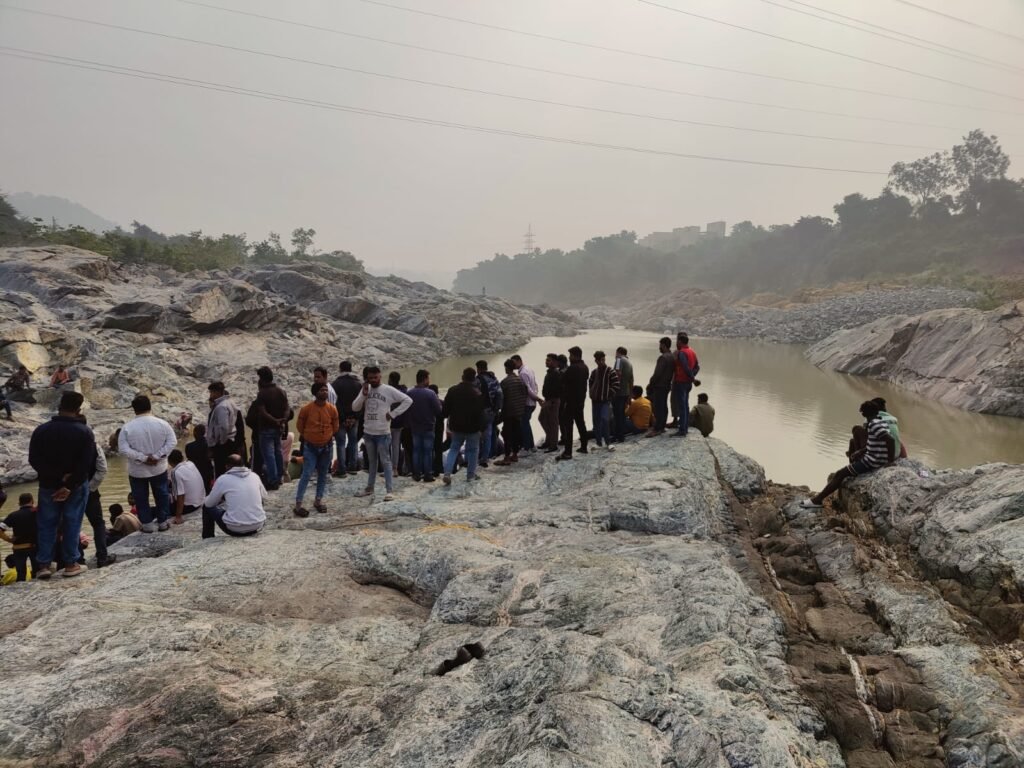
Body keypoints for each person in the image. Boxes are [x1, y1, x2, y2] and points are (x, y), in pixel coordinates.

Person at [28, 391, 96, 579]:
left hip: (48, 485)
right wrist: (68, 484)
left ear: (59, 406)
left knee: (46, 523)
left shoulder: (41, 431)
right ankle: (70, 563)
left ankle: (43, 565)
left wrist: (56, 477)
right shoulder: (84, 432)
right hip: (75, 487)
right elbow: (86, 464)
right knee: (72, 522)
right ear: (78, 409)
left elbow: (34, 460)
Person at [801, 401, 896, 509]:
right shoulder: (880, 421)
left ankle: (817, 500)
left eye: (862, 413)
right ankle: (817, 499)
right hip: (874, 457)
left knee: (840, 474)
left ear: (864, 413)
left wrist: (890, 462)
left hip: (872, 461)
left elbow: (890, 440)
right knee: (844, 470)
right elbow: (876, 442)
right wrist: (860, 452)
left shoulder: (873, 424)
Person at [352, 366, 411, 501]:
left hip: (383, 433)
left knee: (386, 461)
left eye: (375, 377)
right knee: (372, 462)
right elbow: (355, 407)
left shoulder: (388, 390)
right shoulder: (365, 390)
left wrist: (393, 414)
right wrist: (363, 394)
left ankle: (389, 491)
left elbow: (408, 400)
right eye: (370, 378)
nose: (373, 380)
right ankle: (369, 487)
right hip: (368, 432)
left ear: (380, 376)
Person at [119, 394, 177, 533]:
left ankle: (147, 525)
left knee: (140, 497)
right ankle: (163, 522)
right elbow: (172, 442)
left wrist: (143, 458)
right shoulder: (162, 424)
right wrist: (156, 456)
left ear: (134, 410)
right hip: (159, 467)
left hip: (137, 470)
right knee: (162, 494)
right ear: (150, 406)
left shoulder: (127, 427)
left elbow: (123, 449)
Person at [294, 383, 340, 517]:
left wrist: (325, 436)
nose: (325, 392)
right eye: (322, 390)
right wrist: (311, 436)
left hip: (327, 446)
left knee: (323, 474)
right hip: (311, 447)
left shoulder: (332, 409)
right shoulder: (306, 409)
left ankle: (318, 501)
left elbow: (335, 427)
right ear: (315, 393)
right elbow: (300, 427)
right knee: (307, 474)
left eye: (326, 390)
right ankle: (298, 504)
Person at [201, 454, 267, 538]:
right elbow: (264, 496)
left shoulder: (223, 479)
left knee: (206, 508)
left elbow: (209, 504)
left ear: (227, 466)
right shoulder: (254, 476)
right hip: (258, 525)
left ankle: (208, 538)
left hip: (235, 529)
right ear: (243, 465)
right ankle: (253, 518)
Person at [442, 367, 485, 484]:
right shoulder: (477, 393)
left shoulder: (452, 390)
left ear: (462, 377)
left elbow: (445, 411)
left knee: (454, 448)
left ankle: (447, 473)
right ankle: (470, 475)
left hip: (456, 426)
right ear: (474, 378)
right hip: (473, 428)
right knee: (473, 450)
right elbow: (481, 413)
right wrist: (482, 428)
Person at [83, 417, 115, 568]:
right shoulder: (93, 446)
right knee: (98, 524)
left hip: (66, 492)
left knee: (67, 525)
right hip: (90, 492)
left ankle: (72, 561)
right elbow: (102, 469)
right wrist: (89, 488)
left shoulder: (60, 446)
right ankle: (102, 557)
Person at [253, 366, 289, 491]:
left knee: (269, 455)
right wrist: (282, 421)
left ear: (262, 379)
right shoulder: (281, 391)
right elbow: (287, 408)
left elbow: (263, 412)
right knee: (278, 452)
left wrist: (275, 421)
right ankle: (279, 477)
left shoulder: (262, 394)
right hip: (279, 428)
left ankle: (272, 480)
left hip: (266, 428)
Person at [407, 369, 443, 482]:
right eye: (428, 378)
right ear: (425, 379)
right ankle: (428, 474)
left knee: (416, 450)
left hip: (415, 427)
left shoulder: (410, 393)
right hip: (428, 426)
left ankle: (416, 474)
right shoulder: (431, 393)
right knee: (428, 451)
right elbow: (438, 411)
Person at [557, 346, 589, 462]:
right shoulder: (585, 367)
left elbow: (562, 381)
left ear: (575, 356)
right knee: (581, 423)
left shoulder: (572, 368)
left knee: (568, 425)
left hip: (570, 401)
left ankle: (568, 452)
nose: (569, 358)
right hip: (581, 400)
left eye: (570, 355)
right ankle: (584, 446)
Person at [332, 361, 362, 475]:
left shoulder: (335, 384)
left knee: (340, 443)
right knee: (353, 442)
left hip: (340, 419)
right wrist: (354, 417)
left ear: (340, 369)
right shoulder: (358, 383)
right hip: (354, 419)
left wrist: (344, 419)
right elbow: (361, 403)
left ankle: (341, 469)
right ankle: (353, 466)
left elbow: (335, 403)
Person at [496, 359, 528, 466]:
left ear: (507, 368)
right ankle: (515, 454)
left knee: (507, 434)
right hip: (518, 412)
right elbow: (525, 394)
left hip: (509, 412)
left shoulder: (505, 382)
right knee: (516, 433)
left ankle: (506, 457)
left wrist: (499, 411)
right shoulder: (519, 380)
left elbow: (500, 399)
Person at [0, 493, 37, 581]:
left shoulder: (13, 515)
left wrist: (9, 539)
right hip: (35, 546)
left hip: (18, 548)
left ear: (19, 503)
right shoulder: (36, 513)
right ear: (32, 501)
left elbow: (0, 529)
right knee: (37, 571)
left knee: (21, 574)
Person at [588, 351, 620, 452]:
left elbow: (616, 385)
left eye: (602, 360)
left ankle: (608, 443)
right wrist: (592, 394)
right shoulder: (594, 372)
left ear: (604, 359)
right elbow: (590, 383)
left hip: (605, 401)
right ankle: (598, 442)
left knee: (605, 420)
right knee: (596, 421)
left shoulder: (610, 371)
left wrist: (608, 395)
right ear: (596, 361)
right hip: (595, 401)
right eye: (598, 360)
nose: (600, 362)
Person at [207, 381, 239, 477]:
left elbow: (224, 427)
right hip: (231, 439)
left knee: (221, 469)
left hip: (224, 443)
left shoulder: (221, 407)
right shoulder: (230, 402)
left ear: (217, 392)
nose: (211, 395)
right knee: (231, 468)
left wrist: (221, 441)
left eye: (211, 392)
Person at [511, 355, 541, 454]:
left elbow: (528, 390)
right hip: (531, 402)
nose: (513, 365)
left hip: (528, 403)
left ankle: (527, 448)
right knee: (526, 424)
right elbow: (535, 385)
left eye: (514, 362)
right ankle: (531, 446)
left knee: (524, 424)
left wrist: (537, 398)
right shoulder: (528, 369)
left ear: (519, 361)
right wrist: (536, 397)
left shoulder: (523, 373)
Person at [168, 449, 207, 525]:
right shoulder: (190, 463)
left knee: (159, 510)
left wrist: (178, 516)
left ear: (169, 461)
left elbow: (180, 495)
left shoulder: (175, 472)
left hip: (190, 506)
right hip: (200, 501)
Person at [672, 333, 700, 437]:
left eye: (677, 341)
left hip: (681, 382)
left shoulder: (682, 353)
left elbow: (685, 367)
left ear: (680, 341)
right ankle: (685, 428)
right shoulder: (692, 352)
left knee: (682, 407)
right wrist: (693, 376)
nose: (676, 343)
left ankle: (682, 430)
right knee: (686, 405)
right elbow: (697, 366)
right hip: (687, 383)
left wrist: (692, 378)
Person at [475, 360, 503, 466]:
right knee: (488, 434)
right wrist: (497, 409)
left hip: (481, 412)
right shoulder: (494, 379)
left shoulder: (477, 380)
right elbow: (500, 394)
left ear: (478, 368)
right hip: (491, 411)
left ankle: (476, 458)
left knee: (477, 435)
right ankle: (485, 458)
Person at [647, 337, 675, 437]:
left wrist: (651, 384)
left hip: (660, 386)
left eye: (660, 345)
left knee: (658, 407)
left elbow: (657, 374)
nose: (659, 347)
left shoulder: (663, 358)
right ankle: (662, 426)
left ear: (663, 345)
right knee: (664, 406)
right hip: (667, 385)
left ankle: (657, 429)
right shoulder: (672, 357)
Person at [387, 371, 411, 475]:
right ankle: (395, 469)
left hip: (388, 421)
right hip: (400, 422)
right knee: (396, 445)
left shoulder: (388, 391)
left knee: (385, 446)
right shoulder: (404, 391)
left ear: (390, 380)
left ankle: (387, 469)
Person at [539, 353, 563, 453]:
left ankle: (553, 444)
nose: (546, 362)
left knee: (553, 423)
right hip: (548, 400)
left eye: (548, 360)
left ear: (554, 362)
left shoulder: (556, 374)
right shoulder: (550, 373)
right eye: (546, 360)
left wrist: (550, 401)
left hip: (552, 401)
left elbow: (558, 390)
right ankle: (549, 440)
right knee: (543, 419)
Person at [612, 347, 634, 443]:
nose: (615, 355)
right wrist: (630, 394)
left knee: (617, 415)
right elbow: (631, 380)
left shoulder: (619, 359)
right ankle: (621, 436)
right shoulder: (629, 363)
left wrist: (613, 389)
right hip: (626, 392)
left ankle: (618, 436)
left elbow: (617, 374)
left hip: (618, 392)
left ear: (618, 352)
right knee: (621, 414)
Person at [186, 424, 215, 492]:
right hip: (207, 473)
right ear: (204, 433)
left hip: (194, 472)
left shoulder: (189, 446)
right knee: (208, 491)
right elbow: (211, 457)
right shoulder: (210, 445)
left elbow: (189, 458)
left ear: (195, 433)